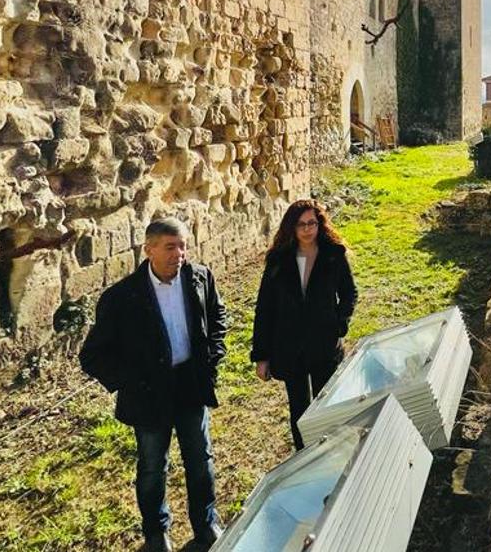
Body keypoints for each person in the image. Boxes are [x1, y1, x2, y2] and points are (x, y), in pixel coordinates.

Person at [79, 217, 226, 552]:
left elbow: (217, 316)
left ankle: (206, 524)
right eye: (170, 247)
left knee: (200, 460)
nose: (180, 254)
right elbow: (93, 355)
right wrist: (133, 382)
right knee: (152, 466)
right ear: (149, 249)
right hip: (149, 396)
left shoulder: (200, 278)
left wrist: (213, 356)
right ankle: (156, 533)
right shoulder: (122, 297)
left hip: (190, 385)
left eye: (183, 245)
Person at [251, 198, 358, 450]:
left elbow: (350, 293)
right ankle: (305, 458)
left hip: (324, 344)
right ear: (292, 227)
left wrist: (339, 324)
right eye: (301, 224)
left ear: (319, 224)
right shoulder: (278, 261)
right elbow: (265, 308)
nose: (307, 229)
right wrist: (261, 356)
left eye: (312, 223)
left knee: (326, 404)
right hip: (289, 347)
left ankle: (331, 451)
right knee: (299, 409)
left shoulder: (333, 254)